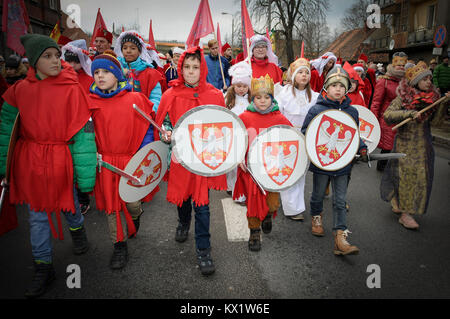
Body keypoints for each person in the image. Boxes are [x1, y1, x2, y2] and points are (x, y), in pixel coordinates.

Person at [0, 34, 97, 298]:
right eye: (48, 56)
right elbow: (7, 128)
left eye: (57, 55)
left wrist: (86, 175)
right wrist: (4, 166)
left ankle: (77, 231)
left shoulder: (71, 88)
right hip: (30, 161)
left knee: (70, 205)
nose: (56, 60)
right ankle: (43, 266)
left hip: (59, 158)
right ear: (33, 61)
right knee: (37, 215)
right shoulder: (20, 90)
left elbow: (84, 131)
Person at [155, 46, 227, 276]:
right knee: (183, 199)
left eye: (196, 67)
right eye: (187, 67)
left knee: (203, 206)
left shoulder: (214, 95)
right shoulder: (170, 94)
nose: (191, 71)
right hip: (180, 156)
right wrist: (165, 132)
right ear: (180, 68)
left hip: (204, 158)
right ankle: (183, 222)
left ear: (202, 68)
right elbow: (164, 122)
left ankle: (204, 250)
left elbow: (224, 126)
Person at [89, 50, 157, 269]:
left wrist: (145, 152)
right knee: (113, 207)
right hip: (106, 163)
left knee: (131, 203)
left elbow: (147, 127)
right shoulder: (90, 102)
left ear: (117, 75)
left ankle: (136, 215)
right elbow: (86, 134)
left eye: (106, 71)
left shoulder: (134, 99)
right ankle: (119, 246)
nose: (100, 76)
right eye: (96, 72)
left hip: (130, 161)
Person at [301, 65, 368, 256]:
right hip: (322, 162)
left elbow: (354, 135)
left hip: (343, 163)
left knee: (340, 199)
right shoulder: (316, 109)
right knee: (318, 193)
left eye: (342, 85)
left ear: (347, 89)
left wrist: (361, 146)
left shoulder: (352, 112)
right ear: (326, 88)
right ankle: (316, 217)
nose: (338, 89)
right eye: (334, 85)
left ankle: (340, 236)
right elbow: (307, 132)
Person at [381, 62, 450, 229]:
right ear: (415, 81)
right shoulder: (403, 98)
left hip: (423, 146)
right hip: (405, 144)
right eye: (424, 79)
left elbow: (437, 122)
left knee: (419, 179)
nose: (428, 82)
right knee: (405, 177)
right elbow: (388, 115)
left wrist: (444, 103)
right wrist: (409, 113)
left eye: (430, 79)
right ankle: (406, 214)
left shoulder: (433, 98)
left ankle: (404, 207)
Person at [233, 74, 292, 251]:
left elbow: (291, 138)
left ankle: (268, 214)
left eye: (267, 97)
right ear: (253, 98)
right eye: (258, 97)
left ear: (272, 99)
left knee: (273, 202)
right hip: (252, 169)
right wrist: (239, 158)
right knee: (252, 202)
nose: (263, 101)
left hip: (273, 168)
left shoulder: (279, 118)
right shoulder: (245, 117)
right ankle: (254, 232)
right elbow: (237, 140)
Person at [275, 57, 319, 221]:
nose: (304, 76)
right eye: (300, 72)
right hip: (288, 134)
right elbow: (277, 113)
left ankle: (295, 205)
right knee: (288, 169)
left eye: (306, 72)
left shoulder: (315, 96)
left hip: (306, 136)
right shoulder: (283, 94)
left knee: (300, 172)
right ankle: (291, 207)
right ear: (293, 75)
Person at [371, 52, 407, 172]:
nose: (401, 68)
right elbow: (376, 102)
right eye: (399, 65)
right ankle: (381, 167)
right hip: (387, 119)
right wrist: (374, 119)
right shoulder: (384, 81)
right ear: (393, 64)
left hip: (402, 117)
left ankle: (393, 168)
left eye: (403, 65)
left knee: (399, 145)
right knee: (387, 146)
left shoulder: (406, 82)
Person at [115, 30, 163, 113]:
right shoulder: (115, 69)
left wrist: (148, 113)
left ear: (140, 51)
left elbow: (156, 98)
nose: (128, 51)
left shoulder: (150, 73)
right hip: (118, 115)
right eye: (125, 48)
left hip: (142, 117)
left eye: (133, 48)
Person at [224, 61, 252, 204]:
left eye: (244, 86)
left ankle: (240, 190)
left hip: (247, 135)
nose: (241, 89)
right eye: (238, 86)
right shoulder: (228, 99)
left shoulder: (252, 100)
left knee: (242, 163)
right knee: (232, 163)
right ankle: (231, 185)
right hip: (232, 135)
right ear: (233, 86)